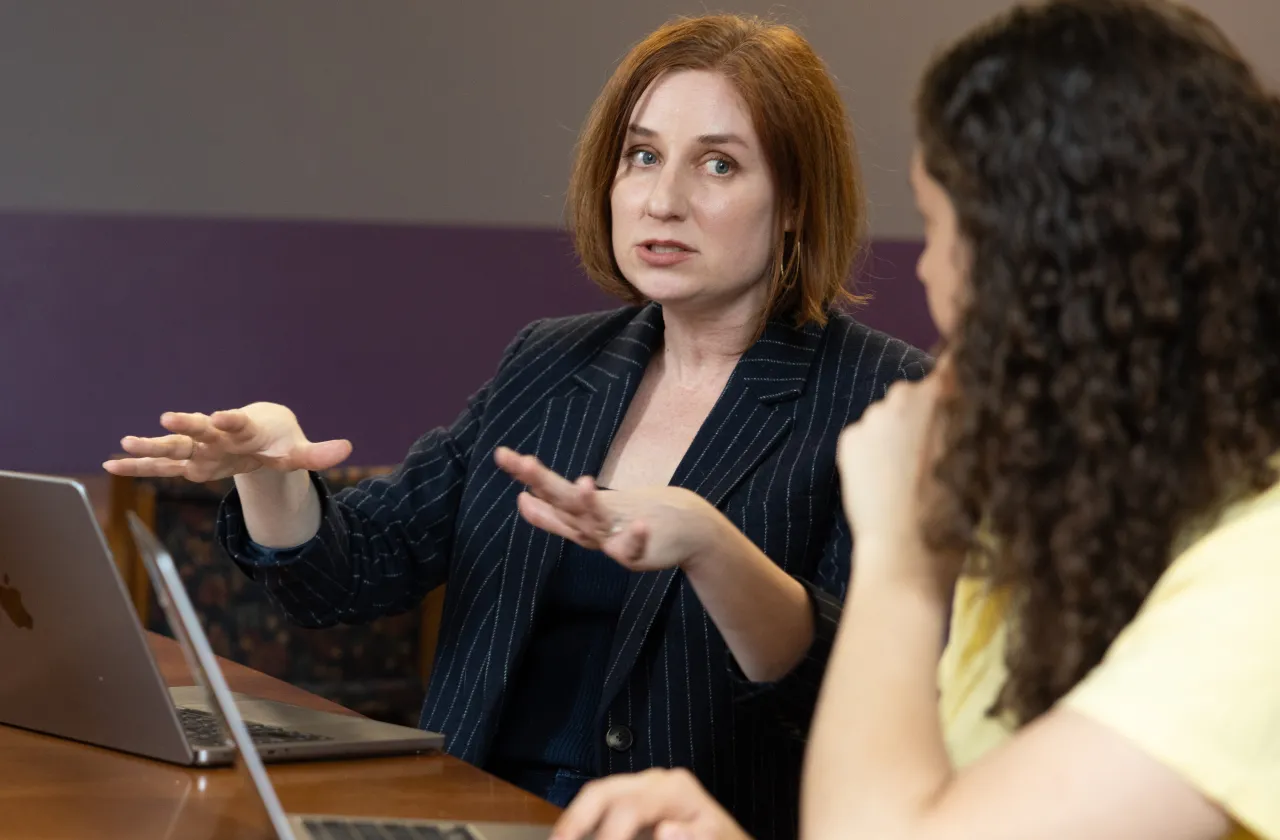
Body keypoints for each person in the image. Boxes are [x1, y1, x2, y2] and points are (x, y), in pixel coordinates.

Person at [102, 13, 928, 840]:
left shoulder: (885, 397)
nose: (663, 200)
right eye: (642, 156)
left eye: (718, 164)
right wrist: (271, 470)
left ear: (796, 202)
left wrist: (713, 547)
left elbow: (867, 701)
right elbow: (354, 573)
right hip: (465, 816)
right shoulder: (550, 361)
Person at [540, 2, 1280, 840]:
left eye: (940, 230)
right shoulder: (1080, 521)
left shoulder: (1260, 583)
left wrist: (901, 549)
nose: (929, 274)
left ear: (1054, 269)